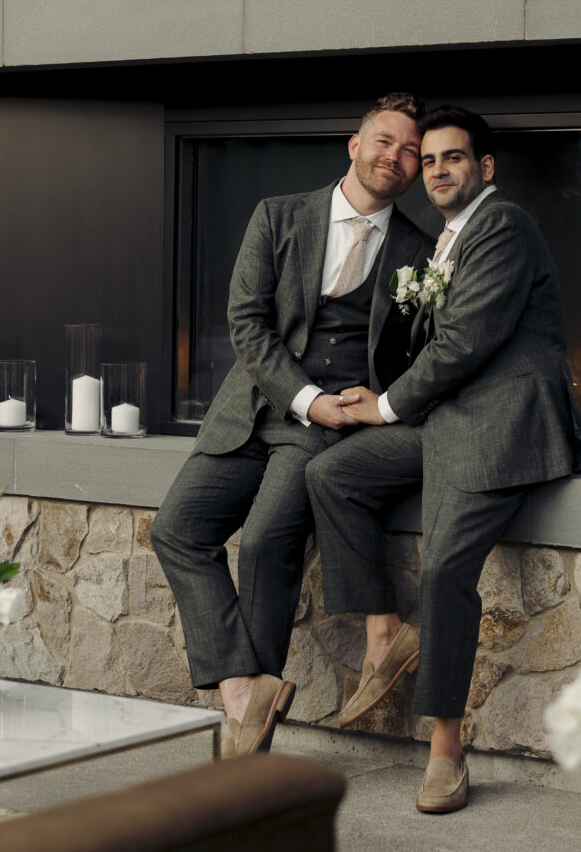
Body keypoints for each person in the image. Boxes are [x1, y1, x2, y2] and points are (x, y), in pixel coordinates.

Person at [306, 105, 581, 813]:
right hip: (444, 418)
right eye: (427, 160)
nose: (436, 170)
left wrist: (383, 406)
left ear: (484, 167)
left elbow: (465, 342)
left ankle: (446, 752)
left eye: (452, 158)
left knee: (442, 571)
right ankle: (384, 631)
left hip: (501, 422)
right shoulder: (447, 237)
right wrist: (378, 393)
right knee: (332, 473)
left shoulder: (501, 226)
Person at [151, 93, 432, 759]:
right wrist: (305, 395)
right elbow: (246, 321)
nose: (395, 156)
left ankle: (250, 739)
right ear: (354, 145)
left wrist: (370, 402)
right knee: (178, 532)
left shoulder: (420, 255)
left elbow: (416, 354)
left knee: (265, 544)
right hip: (252, 410)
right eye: (384, 141)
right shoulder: (278, 217)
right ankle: (246, 687)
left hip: (327, 428)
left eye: (410, 151)